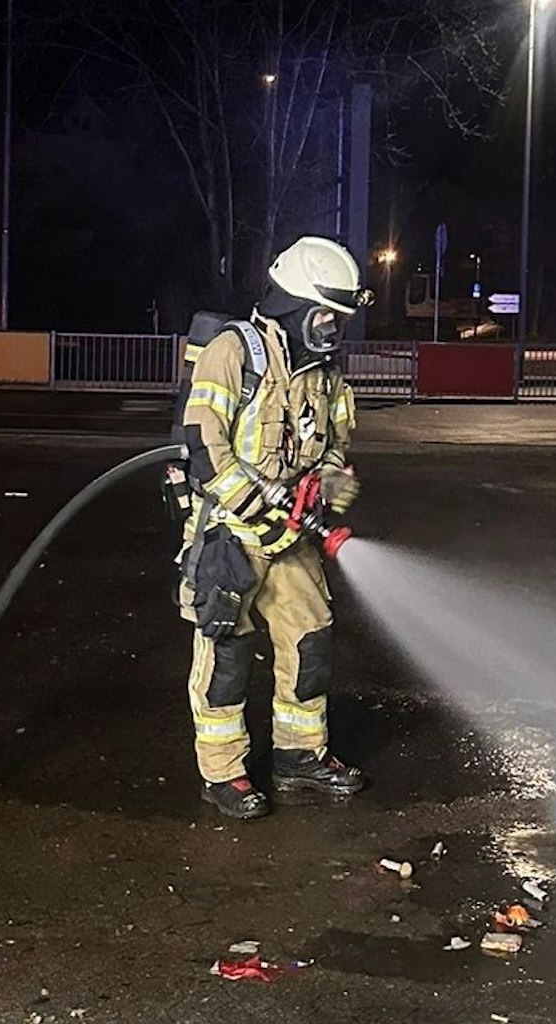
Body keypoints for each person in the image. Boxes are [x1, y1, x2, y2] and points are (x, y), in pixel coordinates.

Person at [178, 235, 371, 820]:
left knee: (310, 643)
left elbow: (338, 444)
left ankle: (301, 755)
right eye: (324, 315)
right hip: (233, 538)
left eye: (338, 319)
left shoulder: (327, 375)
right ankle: (224, 772)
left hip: (292, 542)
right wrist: (255, 504)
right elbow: (202, 442)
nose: (333, 329)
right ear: (292, 305)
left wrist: (329, 484)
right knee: (227, 655)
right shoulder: (235, 353)